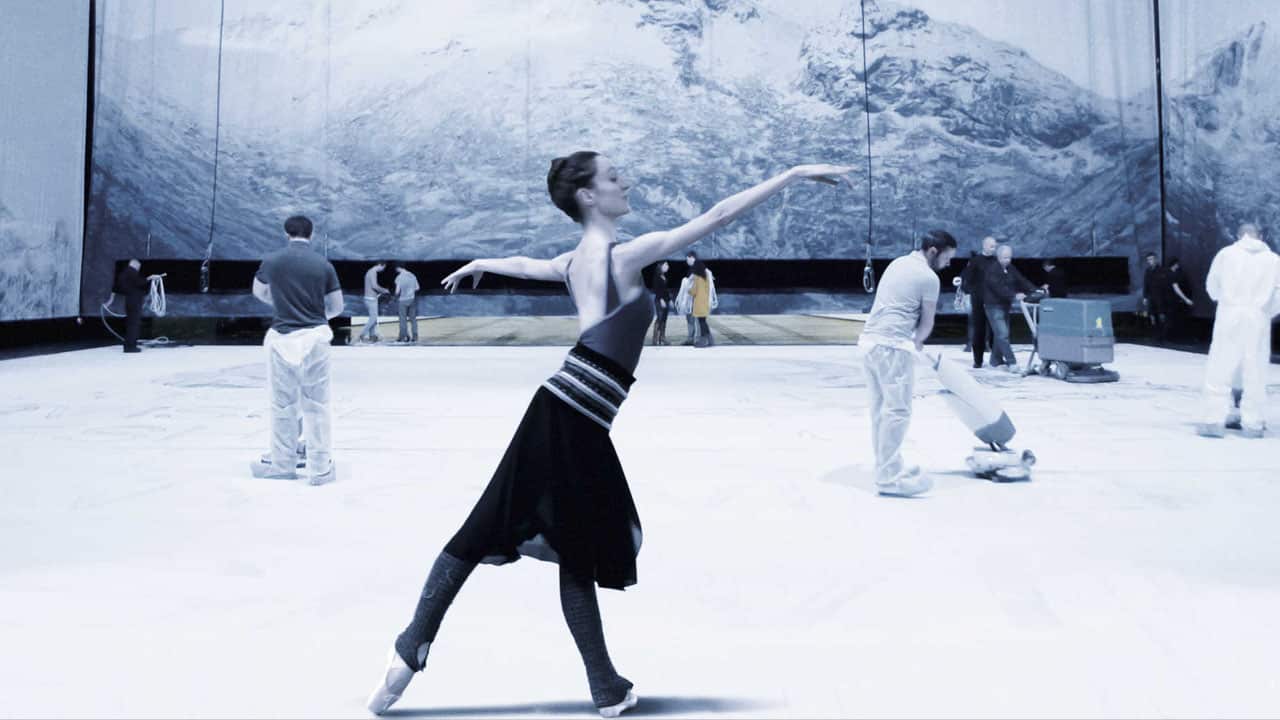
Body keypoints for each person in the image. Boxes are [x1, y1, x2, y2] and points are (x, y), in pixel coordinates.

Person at [365, 152, 853, 717]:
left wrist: (486, 260)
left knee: (570, 546)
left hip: (571, 415)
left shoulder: (575, 261)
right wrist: (791, 176)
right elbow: (718, 215)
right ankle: (414, 645)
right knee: (497, 533)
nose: (627, 182)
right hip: (570, 416)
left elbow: (528, 263)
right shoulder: (625, 257)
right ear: (589, 197)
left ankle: (598, 683)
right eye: (614, 177)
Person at [858, 229, 957, 497]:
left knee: (881, 412)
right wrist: (918, 342)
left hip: (868, 343)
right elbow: (926, 322)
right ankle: (889, 480)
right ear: (934, 251)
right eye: (947, 258)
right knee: (897, 412)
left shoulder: (898, 263)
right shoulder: (928, 277)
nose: (949, 264)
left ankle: (889, 467)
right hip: (892, 347)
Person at [248, 215, 343, 485]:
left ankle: (282, 465)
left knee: (282, 406)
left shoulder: (272, 261)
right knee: (317, 407)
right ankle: (320, 469)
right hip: (315, 338)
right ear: (311, 235)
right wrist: (312, 313)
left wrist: (282, 305)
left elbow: (259, 292)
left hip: (282, 339)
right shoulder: (324, 265)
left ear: (286, 233)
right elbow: (336, 307)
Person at [1196, 223, 1280, 438]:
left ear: (1238, 234)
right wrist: (1265, 312)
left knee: (1220, 367)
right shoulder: (1273, 260)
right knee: (1255, 370)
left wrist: (1224, 301)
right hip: (1257, 317)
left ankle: (1213, 421)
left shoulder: (1226, 254)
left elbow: (1212, 285)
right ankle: (1253, 424)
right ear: (1260, 235)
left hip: (1229, 314)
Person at [982, 244, 1037, 372]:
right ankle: (1012, 362)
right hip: (993, 306)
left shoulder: (1010, 268)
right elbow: (999, 288)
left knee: (1000, 334)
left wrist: (1034, 290)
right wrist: (1014, 295)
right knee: (1003, 334)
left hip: (1005, 305)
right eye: (1005, 257)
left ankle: (995, 361)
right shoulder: (992, 270)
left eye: (1010, 257)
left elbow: (1021, 280)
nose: (1008, 260)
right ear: (998, 257)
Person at [960, 236, 998, 368]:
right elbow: (967, 278)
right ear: (985, 246)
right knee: (979, 330)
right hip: (978, 301)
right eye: (992, 246)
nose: (994, 248)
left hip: (994, 301)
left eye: (995, 246)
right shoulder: (976, 261)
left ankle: (996, 358)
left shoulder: (996, 261)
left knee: (995, 330)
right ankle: (978, 360)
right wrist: (967, 294)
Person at [109, 258, 155, 353]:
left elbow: (117, 286)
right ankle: (131, 347)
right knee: (133, 324)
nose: (138, 268)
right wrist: (149, 278)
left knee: (131, 324)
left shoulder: (124, 273)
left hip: (129, 300)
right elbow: (139, 282)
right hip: (134, 301)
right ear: (134, 265)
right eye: (138, 266)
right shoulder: (131, 272)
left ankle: (128, 345)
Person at [1163, 257, 1195, 343]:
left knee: (1170, 318)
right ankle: (1169, 338)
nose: (1178, 266)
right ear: (1175, 264)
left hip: (1167, 300)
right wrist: (1186, 299)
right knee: (1172, 319)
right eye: (1177, 264)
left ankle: (1167, 338)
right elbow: (1176, 288)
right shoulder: (1172, 275)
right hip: (1172, 300)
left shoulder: (1166, 273)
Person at [359, 261, 391, 343]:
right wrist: (384, 290)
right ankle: (361, 335)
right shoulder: (373, 272)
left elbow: (372, 287)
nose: (383, 270)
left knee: (374, 319)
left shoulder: (369, 271)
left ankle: (372, 336)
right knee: (373, 319)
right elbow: (374, 286)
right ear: (380, 265)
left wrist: (379, 292)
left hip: (370, 298)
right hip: (371, 299)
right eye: (383, 268)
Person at [689, 260, 716, 347]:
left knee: (702, 323)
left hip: (699, 304)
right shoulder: (706, 277)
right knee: (703, 321)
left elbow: (694, 291)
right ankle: (710, 340)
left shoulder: (697, 277)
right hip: (704, 303)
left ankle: (704, 341)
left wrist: (688, 289)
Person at [1141, 252, 1167, 339]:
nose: (1150, 261)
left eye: (1152, 259)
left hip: (1160, 296)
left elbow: (1164, 285)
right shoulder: (1148, 271)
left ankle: (1162, 335)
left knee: (1161, 314)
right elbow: (1146, 284)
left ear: (1156, 259)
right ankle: (1155, 333)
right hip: (1151, 296)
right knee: (1152, 315)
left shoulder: (1162, 270)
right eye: (1149, 260)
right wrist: (1145, 297)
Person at [394, 263, 421, 343]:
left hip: (403, 300)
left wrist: (396, 295)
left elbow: (397, 291)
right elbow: (417, 288)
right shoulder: (412, 275)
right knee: (413, 319)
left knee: (403, 319)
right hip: (412, 299)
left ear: (399, 268)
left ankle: (403, 336)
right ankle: (415, 336)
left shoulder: (399, 277)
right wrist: (411, 291)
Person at [675, 264, 699, 345]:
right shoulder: (686, 281)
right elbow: (684, 292)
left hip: (694, 304)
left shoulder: (697, 282)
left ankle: (694, 338)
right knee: (689, 321)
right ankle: (690, 338)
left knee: (695, 321)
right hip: (688, 305)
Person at [649, 261, 671, 345]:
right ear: (661, 266)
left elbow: (665, 290)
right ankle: (655, 340)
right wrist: (661, 299)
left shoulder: (663, 276)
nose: (667, 266)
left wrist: (669, 300)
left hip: (666, 300)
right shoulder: (657, 276)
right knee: (660, 319)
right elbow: (657, 289)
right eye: (666, 265)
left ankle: (662, 338)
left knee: (664, 319)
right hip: (659, 301)